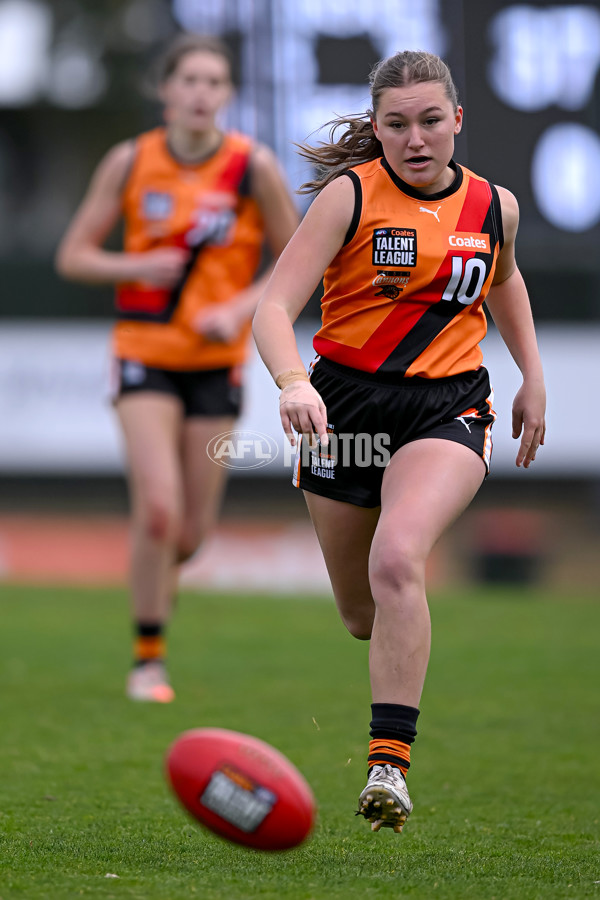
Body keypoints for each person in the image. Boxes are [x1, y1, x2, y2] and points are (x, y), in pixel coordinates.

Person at [252, 50, 546, 833]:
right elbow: (273, 309)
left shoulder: (495, 207)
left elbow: (504, 278)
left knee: (398, 558)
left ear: (457, 119)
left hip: (449, 408)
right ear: (377, 128)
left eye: (428, 120)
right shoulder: (349, 198)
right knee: (360, 613)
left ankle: (390, 768)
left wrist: (533, 376)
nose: (415, 138)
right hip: (342, 410)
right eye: (396, 124)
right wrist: (293, 383)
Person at [55, 34, 299, 702]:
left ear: (227, 94)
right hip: (144, 354)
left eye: (214, 82)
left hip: (215, 364)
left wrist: (242, 305)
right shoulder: (132, 161)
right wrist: (135, 265)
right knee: (159, 512)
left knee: (189, 536)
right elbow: (73, 255)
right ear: (165, 90)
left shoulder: (254, 168)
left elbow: (296, 257)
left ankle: (156, 599)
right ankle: (147, 658)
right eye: (188, 79)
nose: (200, 93)